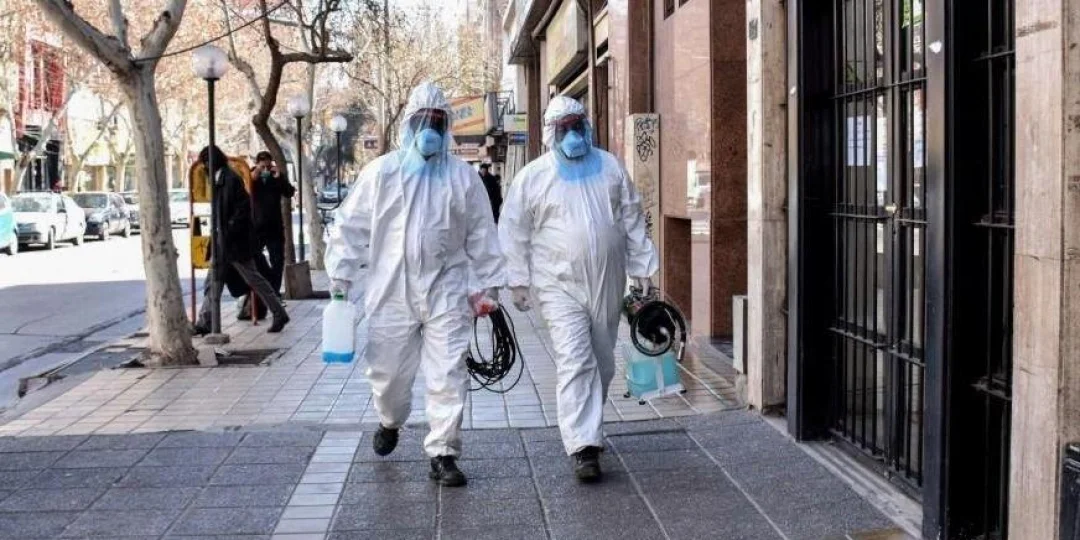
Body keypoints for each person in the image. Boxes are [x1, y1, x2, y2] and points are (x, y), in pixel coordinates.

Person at [325, 82, 505, 487]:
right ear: (409, 125)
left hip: (447, 290)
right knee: (388, 376)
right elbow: (350, 227)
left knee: (448, 373)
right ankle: (389, 420)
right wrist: (340, 275)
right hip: (391, 292)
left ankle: (443, 452)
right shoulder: (381, 173)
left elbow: (482, 232)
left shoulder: (462, 178)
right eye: (424, 121)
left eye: (438, 122)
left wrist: (489, 286)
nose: (430, 130)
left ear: (447, 127)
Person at [498, 96, 658, 483]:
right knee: (575, 358)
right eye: (564, 129)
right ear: (551, 134)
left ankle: (588, 425)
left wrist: (643, 268)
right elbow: (514, 230)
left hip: (608, 281)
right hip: (558, 285)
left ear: (587, 126)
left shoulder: (610, 167)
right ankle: (583, 446)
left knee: (602, 361)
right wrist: (517, 280)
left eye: (577, 126)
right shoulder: (533, 177)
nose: (573, 135)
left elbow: (632, 217)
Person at [192, 145, 290, 335]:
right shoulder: (220, 178)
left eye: (206, 162)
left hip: (235, 244)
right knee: (212, 283)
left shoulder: (230, 179)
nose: (205, 167)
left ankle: (279, 313)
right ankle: (205, 322)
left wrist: (229, 229)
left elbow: (242, 209)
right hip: (223, 242)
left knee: (255, 279)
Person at [250, 150, 296, 298]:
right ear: (257, 164)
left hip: (274, 226)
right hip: (256, 226)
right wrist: (254, 176)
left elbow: (289, 192)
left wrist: (279, 177)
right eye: (262, 166)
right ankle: (264, 287)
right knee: (254, 257)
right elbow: (244, 190)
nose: (265, 169)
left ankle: (274, 292)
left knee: (277, 260)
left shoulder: (276, 177)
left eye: (268, 166)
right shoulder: (250, 176)